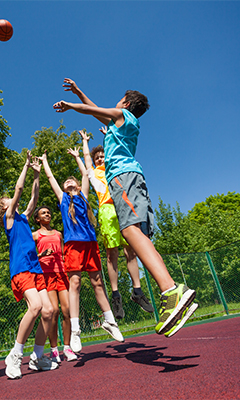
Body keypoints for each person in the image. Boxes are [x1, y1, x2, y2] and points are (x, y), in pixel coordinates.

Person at [53, 78, 196, 337]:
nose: (116, 103)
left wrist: (70, 105)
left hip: (122, 178)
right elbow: (94, 109)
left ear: (126, 104)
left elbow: (90, 109)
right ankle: (172, 291)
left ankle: (171, 290)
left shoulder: (122, 115)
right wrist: (79, 91)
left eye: (119, 100)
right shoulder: (122, 123)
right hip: (131, 178)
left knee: (130, 232)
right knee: (137, 235)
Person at [40, 150, 124, 354]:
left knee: (98, 283)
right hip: (73, 245)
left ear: (78, 185)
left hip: (90, 244)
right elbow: (50, 178)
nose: (68, 181)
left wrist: (78, 156)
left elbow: (86, 173)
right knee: (75, 283)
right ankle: (76, 330)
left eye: (72, 180)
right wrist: (44, 161)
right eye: (66, 181)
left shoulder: (84, 196)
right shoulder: (63, 199)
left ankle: (110, 321)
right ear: (63, 188)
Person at [0, 152, 58, 379]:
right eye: (7, 201)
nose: (12, 200)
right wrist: (26, 166)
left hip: (35, 268)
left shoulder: (24, 218)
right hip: (21, 269)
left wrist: (37, 175)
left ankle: (37, 356)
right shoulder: (9, 219)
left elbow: (34, 196)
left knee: (49, 311)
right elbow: (19, 190)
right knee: (36, 307)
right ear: (3, 209)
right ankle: (15, 354)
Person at [77, 129, 154, 320]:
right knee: (112, 254)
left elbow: (114, 151)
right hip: (106, 210)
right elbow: (86, 158)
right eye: (97, 157)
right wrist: (85, 141)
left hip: (122, 206)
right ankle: (116, 295)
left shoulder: (113, 169)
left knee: (131, 251)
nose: (100, 159)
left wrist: (108, 136)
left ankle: (137, 291)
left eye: (102, 156)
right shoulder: (94, 173)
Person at [32, 206, 77, 362]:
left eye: (48, 212)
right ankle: (54, 350)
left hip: (61, 273)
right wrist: (41, 254)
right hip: (46, 274)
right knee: (54, 311)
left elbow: (64, 253)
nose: (47, 214)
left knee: (67, 310)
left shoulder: (58, 234)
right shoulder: (35, 235)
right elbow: (29, 256)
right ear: (37, 219)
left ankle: (67, 348)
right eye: (43, 213)